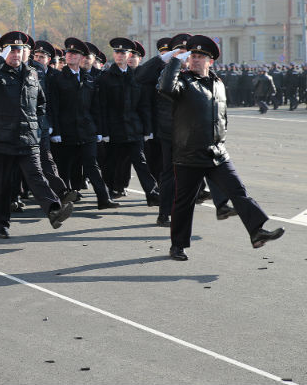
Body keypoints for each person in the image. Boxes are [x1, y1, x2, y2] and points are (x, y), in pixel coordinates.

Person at [158, 35, 285, 261]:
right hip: (188, 155)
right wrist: (176, 61)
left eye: (200, 57)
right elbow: (165, 88)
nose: (195, 60)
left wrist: (221, 140)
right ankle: (177, 245)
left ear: (211, 61)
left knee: (238, 191)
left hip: (217, 152)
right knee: (184, 203)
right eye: (192, 56)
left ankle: (257, 232)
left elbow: (221, 116)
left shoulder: (218, 82)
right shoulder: (184, 82)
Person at [0, 31, 73, 238]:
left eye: (19, 50)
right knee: (2, 185)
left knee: (37, 177)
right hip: (0, 138)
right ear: (5, 53)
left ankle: (54, 211)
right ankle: (0, 224)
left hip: (27, 137)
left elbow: (41, 104)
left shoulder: (32, 73)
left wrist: (37, 127)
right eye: (11, 50)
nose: (16, 54)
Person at [47, 37, 117, 209]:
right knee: (65, 167)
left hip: (86, 130)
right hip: (66, 130)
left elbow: (96, 107)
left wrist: (99, 130)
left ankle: (103, 198)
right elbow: (53, 107)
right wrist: (55, 131)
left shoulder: (88, 78)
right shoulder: (57, 78)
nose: (70, 56)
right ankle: (62, 199)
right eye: (68, 53)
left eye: (75, 54)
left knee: (92, 165)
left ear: (81, 58)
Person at [97, 37, 160, 205]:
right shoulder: (106, 77)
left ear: (129, 54)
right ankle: (109, 191)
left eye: (123, 52)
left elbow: (143, 105)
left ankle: (152, 194)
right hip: (114, 128)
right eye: (117, 52)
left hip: (134, 127)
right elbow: (102, 107)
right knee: (111, 162)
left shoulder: (136, 77)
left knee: (141, 162)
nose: (119, 55)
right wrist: (103, 132)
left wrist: (147, 129)